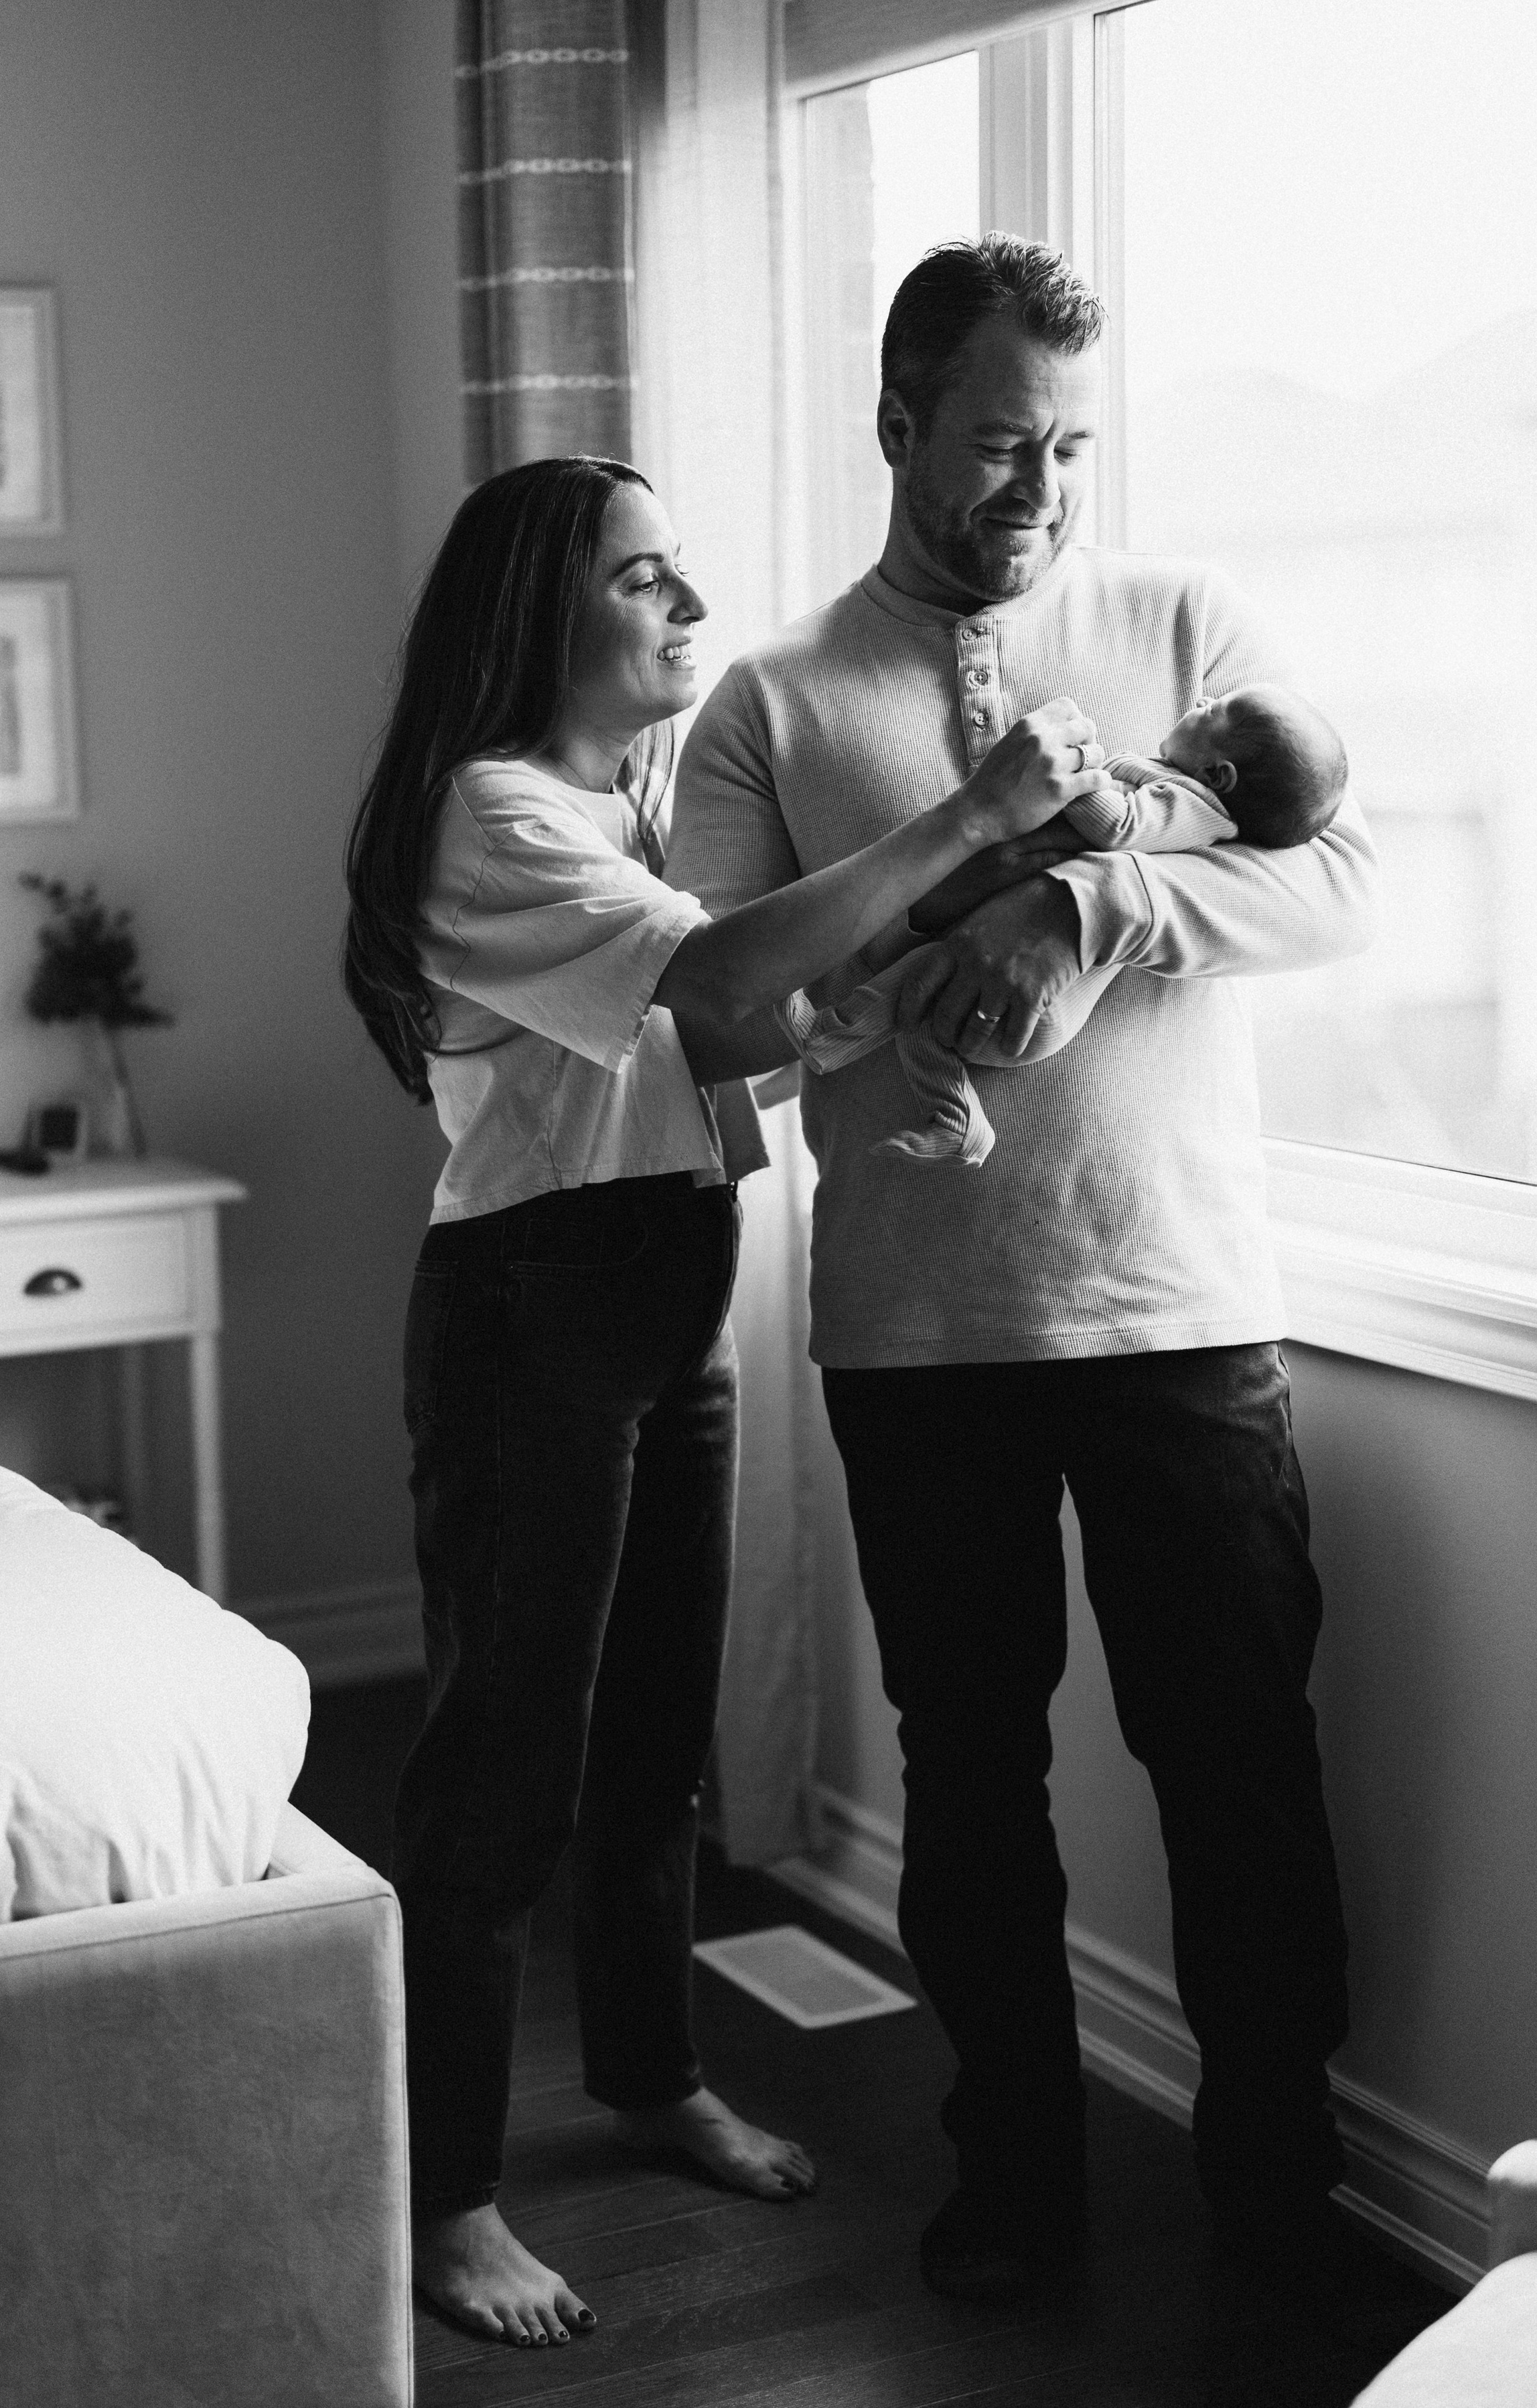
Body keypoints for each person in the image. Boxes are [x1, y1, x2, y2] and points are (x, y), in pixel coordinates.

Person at [665, 237, 1380, 2306]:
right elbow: (718, 1020)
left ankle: (1279, 2192)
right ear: (899, 425)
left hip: (1178, 1306)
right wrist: (911, 934)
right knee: (969, 1776)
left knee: (1239, 1761)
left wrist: (1089, 910)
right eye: (996, 444)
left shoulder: (1186, 629)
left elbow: (1338, 884)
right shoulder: (775, 699)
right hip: (917, 1330)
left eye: (1068, 446)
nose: (1039, 488)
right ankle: (1014, 2180)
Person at [340, 451, 1110, 2349]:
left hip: (666, 1281)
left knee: (655, 1738)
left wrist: (879, 985)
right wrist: (970, 815)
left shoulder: (628, 806)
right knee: (502, 1764)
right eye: (643, 576)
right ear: (539, 610)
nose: (689, 604)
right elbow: (713, 976)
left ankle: (647, 2073)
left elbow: (732, 1037)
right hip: (532, 1308)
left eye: (685, 570)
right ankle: (440, 2195)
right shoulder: (489, 811)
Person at [803, 681, 1349, 1165]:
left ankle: (851, 1048)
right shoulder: (1184, 789)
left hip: (1034, 1002)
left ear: (1217, 774)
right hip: (1029, 998)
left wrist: (1071, 777)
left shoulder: (1194, 806)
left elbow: (1119, 826)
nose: (1202, 699)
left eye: (1214, 711)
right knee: (921, 1001)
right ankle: (891, 1079)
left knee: (921, 997)